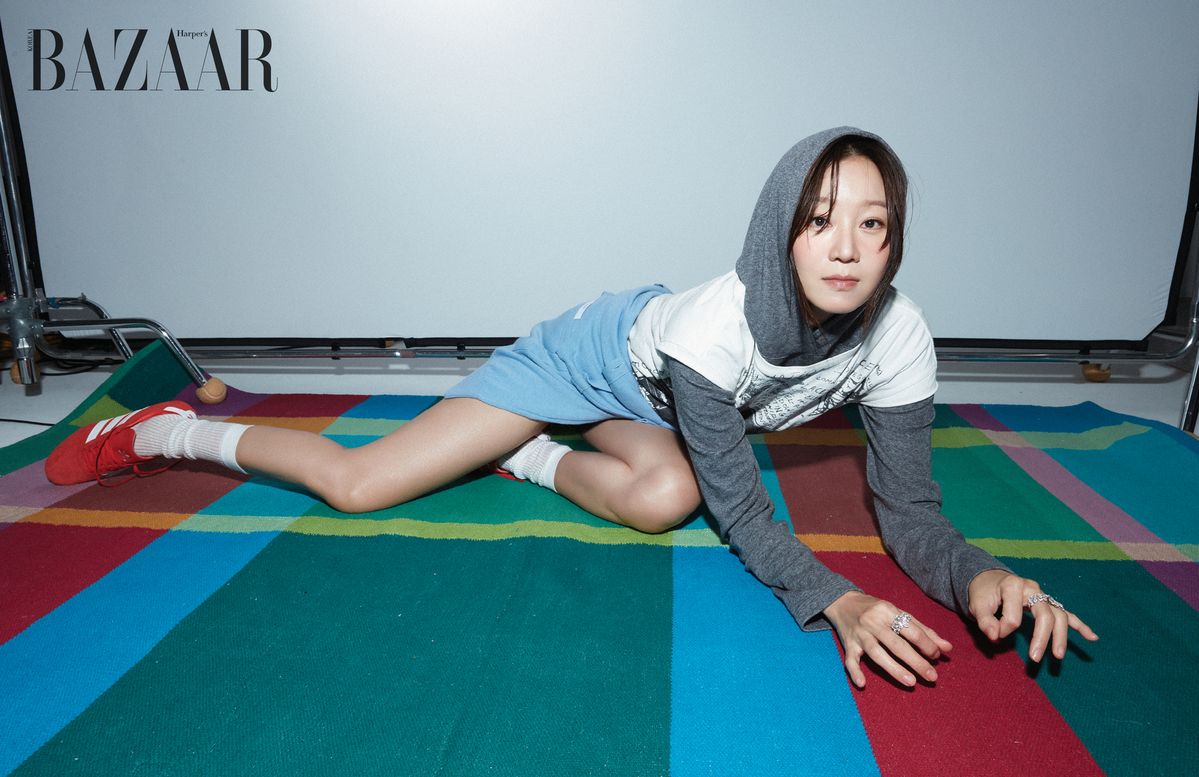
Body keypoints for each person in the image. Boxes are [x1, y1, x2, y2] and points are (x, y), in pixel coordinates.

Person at [45, 127, 1098, 689]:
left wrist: (978, 573)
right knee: (360, 485)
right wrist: (834, 598)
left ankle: (522, 457)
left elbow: (908, 511)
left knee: (664, 498)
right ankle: (161, 430)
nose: (844, 246)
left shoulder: (900, 336)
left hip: (667, 411)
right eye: (818, 218)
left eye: (871, 224)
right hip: (586, 361)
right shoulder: (716, 329)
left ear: (894, 240)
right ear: (778, 226)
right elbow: (747, 513)